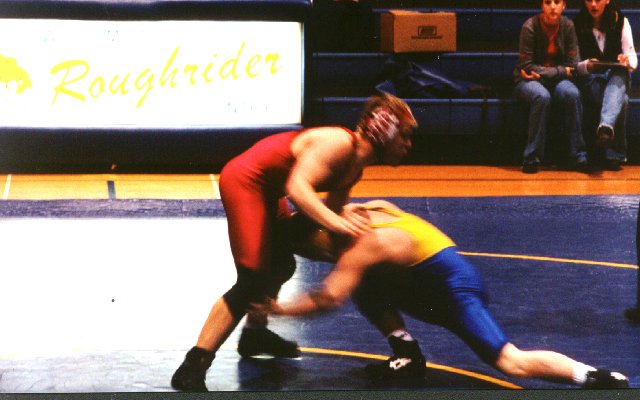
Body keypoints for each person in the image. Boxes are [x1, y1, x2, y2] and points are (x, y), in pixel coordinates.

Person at [170, 93, 417, 392]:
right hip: (246, 182)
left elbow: (323, 215)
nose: (408, 145)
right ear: (384, 130)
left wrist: (346, 234)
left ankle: (255, 335)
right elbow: (298, 189)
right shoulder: (340, 143)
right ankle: (192, 367)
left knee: (281, 263)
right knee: (252, 279)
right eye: (404, 135)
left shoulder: (354, 168)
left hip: (267, 191)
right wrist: (336, 222)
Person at [259, 200, 630, 389]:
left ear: (321, 236)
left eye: (315, 252)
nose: (320, 258)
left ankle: (595, 377)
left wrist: (279, 309)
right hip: (429, 283)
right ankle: (407, 355)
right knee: (364, 281)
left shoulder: (361, 245)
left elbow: (327, 298)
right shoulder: (368, 210)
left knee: (510, 362)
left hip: (455, 292)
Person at [513, 0, 587, 174]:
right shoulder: (530, 26)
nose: (552, 6)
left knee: (572, 93)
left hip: (553, 80)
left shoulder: (568, 26)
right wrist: (561, 71)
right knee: (542, 97)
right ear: (542, 6)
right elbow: (526, 66)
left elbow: (574, 64)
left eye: (556, 2)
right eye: (548, 2)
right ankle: (531, 158)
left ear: (564, 5)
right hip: (528, 80)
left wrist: (548, 72)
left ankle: (578, 156)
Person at [574, 0, 637, 171]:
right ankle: (614, 153)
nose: (593, 4)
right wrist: (587, 65)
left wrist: (626, 61)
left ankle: (605, 128)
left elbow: (633, 60)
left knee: (620, 73)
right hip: (591, 82)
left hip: (614, 79)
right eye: (589, 0)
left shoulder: (621, 21)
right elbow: (574, 66)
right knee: (622, 100)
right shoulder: (577, 23)